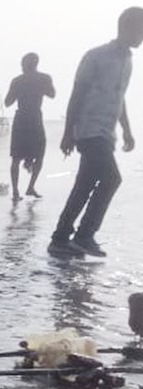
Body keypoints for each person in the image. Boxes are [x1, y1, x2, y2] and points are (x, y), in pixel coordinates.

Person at [48, 7, 143, 258]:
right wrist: (68, 132)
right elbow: (77, 94)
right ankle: (84, 235)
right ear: (127, 27)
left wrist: (128, 130)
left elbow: (119, 98)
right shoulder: (96, 56)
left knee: (85, 184)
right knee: (112, 179)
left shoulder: (128, 62)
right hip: (89, 130)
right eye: (140, 31)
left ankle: (59, 239)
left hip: (106, 132)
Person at [5, 53, 56, 201]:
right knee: (39, 155)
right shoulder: (44, 78)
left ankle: (16, 191)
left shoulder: (17, 81)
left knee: (16, 157)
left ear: (25, 65)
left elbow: (8, 102)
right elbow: (52, 94)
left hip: (21, 118)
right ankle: (30, 186)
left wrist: (19, 91)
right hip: (34, 117)